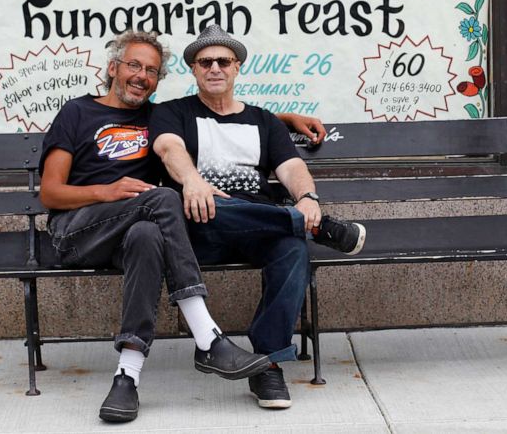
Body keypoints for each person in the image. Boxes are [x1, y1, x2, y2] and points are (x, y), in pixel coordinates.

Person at [39, 29, 324, 423]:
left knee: (146, 234)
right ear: (112, 68)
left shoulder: (156, 115)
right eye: (133, 65)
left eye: (151, 70)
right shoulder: (77, 112)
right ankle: (207, 337)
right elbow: (50, 193)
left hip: (133, 230)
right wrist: (106, 191)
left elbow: (220, 113)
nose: (141, 75)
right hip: (77, 230)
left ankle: (127, 375)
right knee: (164, 197)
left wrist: (285, 120)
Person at [150, 24, 366, 410]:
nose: (215, 67)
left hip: (258, 228)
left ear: (237, 68)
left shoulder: (264, 121)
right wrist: (193, 182)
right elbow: (168, 149)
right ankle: (312, 226)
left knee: (292, 250)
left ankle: (267, 363)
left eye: (224, 61)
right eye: (205, 62)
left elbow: (290, 167)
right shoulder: (173, 113)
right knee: (222, 209)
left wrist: (308, 196)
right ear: (194, 70)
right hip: (200, 226)